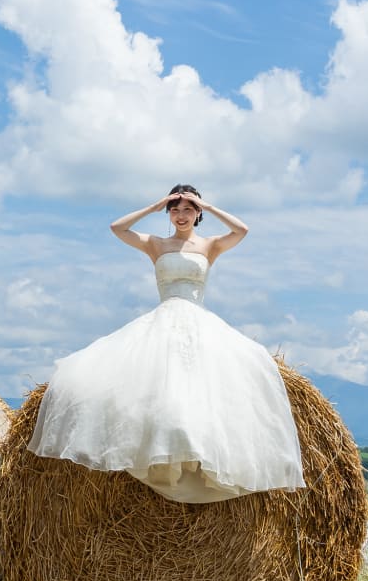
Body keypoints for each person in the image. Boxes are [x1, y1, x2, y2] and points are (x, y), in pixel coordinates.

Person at [27, 184, 306, 503]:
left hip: (199, 321)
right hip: (163, 319)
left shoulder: (210, 245)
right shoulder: (156, 245)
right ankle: (164, 456)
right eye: (175, 209)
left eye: (188, 209)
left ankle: (199, 455)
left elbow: (242, 230)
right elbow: (117, 228)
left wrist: (208, 205)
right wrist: (154, 205)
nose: (181, 215)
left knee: (201, 392)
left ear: (197, 213)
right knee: (163, 391)